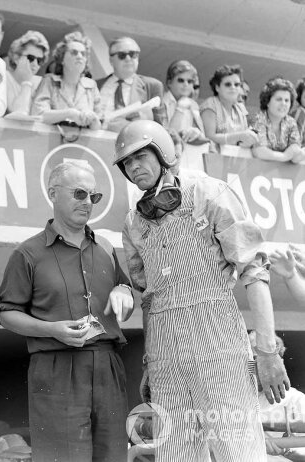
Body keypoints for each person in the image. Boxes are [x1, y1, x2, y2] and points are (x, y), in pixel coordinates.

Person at [115, 120, 290, 462]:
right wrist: (151, 361)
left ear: (163, 152)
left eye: (140, 157)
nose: (133, 167)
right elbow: (149, 298)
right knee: (175, 454)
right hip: (166, 357)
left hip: (218, 347)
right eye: (126, 163)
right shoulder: (133, 224)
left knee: (237, 450)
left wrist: (267, 352)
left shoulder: (210, 193)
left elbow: (254, 271)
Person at [0, 161, 134, 462]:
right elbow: (6, 312)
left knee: (114, 456)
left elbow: (124, 287)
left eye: (94, 197)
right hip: (56, 367)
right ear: (53, 194)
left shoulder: (106, 249)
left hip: (108, 365)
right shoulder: (28, 253)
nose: (88, 203)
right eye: (80, 194)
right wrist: (53, 329)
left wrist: (123, 291)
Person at [250, 333, 305, 462]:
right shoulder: (226, 399)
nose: (261, 367)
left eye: (270, 359)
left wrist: (288, 451)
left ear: (280, 363)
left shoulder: (298, 401)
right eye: (254, 359)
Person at [30, 31, 101, 129]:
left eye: (83, 54)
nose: (79, 56)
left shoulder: (91, 86)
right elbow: (38, 114)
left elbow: (101, 125)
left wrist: (93, 119)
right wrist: (69, 113)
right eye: (74, 52)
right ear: (62, 58)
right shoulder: (49, 81)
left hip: (83, 143)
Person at [96, 36, 163, 132]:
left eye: (133, 54)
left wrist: (129, 128)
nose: (128, 59)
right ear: (111, 60)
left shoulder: (153, 86)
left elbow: (161, 128)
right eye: (122, 55)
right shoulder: (95, 85)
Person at [200, 64, 258, 154]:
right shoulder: (210, 105)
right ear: (217, 87)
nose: (233, 87)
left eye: (237, 84)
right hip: (213, 159)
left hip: (236, 159)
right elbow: (209, 136)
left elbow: (243, 138)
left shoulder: (240, 108)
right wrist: (238, 136)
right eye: (228, 84)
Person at [251, 77, 305, 163]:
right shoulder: (259, 119)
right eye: (279, 99)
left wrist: (294, 153)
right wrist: (284, 157)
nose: (283, 104)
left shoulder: (291, 122)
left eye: (287, 100)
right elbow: (259, 151)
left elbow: (295, 149)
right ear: (267, 102)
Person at [160, 60, 206, 145]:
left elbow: (203, 136)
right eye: (181, 80)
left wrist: (196, 133)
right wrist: (180, 109)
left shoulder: (194, 105)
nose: (186, 84)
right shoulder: (160, 102)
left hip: (189, 153)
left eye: (190, 81)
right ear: (169, 82)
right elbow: (166, 136)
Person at [5, 30, 49, 115]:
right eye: (31, 58)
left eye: (40, 60)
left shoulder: (41, 84)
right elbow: (18, 113)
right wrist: (27, 83)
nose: (35, 64)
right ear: (16, 58)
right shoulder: (4, 78)